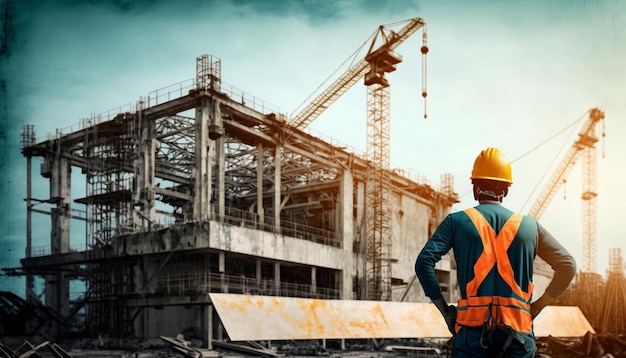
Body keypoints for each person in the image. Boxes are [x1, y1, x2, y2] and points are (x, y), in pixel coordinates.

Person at [415, 147, 577, 357]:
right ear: (506, 190)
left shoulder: (456, 222)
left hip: (471, 337)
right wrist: (536, 307)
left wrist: (446, 311)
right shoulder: (530, 227)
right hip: (518, 336)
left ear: (474, 188)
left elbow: (423, 262)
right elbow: (568, 266)